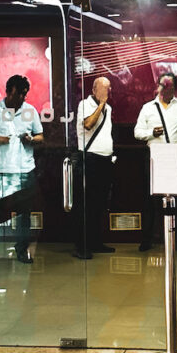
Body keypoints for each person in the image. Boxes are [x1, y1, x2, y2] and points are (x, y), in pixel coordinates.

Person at [0, 74, 44, 264]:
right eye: (17, 95)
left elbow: (40, 136)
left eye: (24, 95)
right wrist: (1, 140)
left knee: (24, 215)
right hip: (1, 170)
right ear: (7, 92)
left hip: (24, 170)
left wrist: (31, 139)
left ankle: (22, 251)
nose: (21, 99)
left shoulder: (30, 110)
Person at [133, 71, 177, 252]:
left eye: (169, 86)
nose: (166, 89)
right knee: (151, 201)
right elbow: (137, 132)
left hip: (175, 156)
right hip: (154, 156)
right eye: (163, 86)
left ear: (175, 88)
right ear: (157, 87)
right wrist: (151, 134)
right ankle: (147, 240)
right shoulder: (148, 107)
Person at [73, 76, 114, 259]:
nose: (107, 91)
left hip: (105, 160)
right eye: (104, 88)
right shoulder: (85, 104)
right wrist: (101, 105)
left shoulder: (109, 109)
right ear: (94, 90)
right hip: (89, 159)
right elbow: (88, 125)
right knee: (86, 205)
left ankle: (96, 241)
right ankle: (82, 246)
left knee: (99, 204)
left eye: (109, 88)